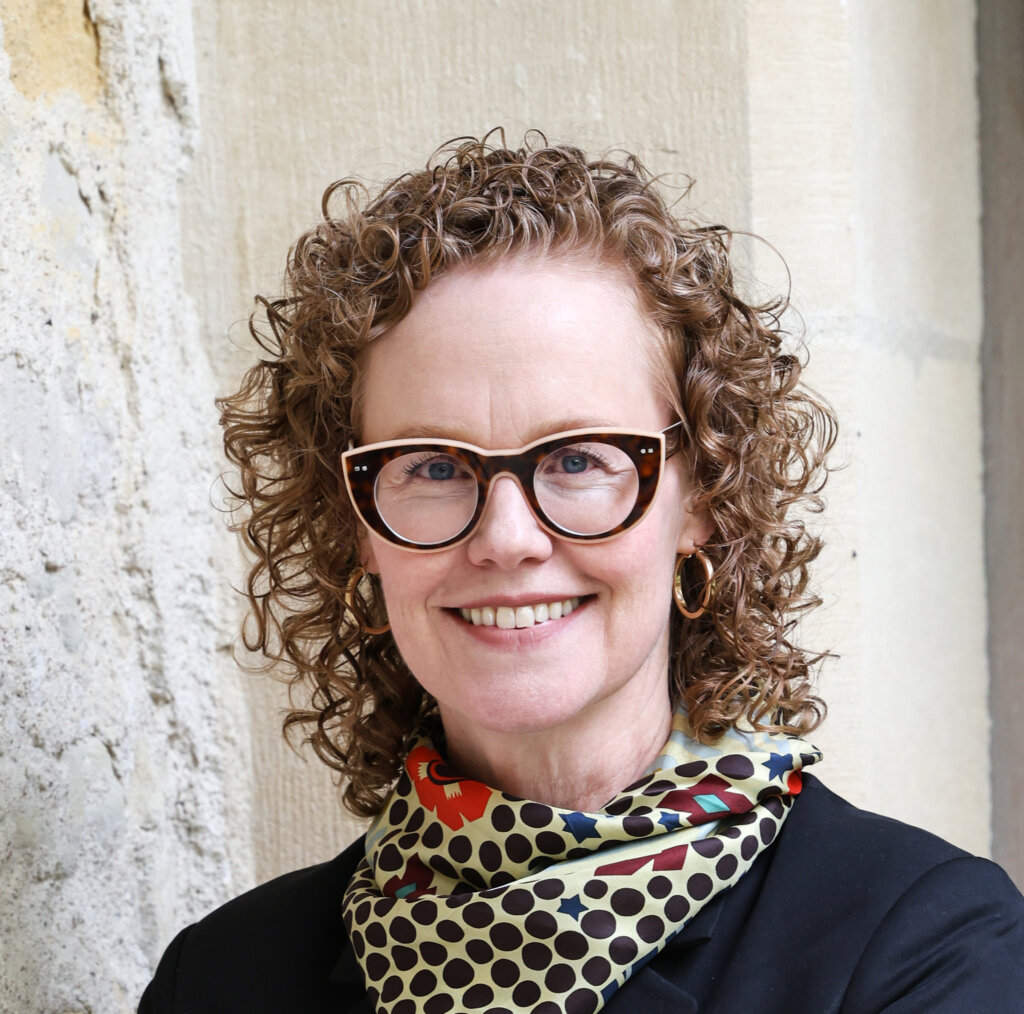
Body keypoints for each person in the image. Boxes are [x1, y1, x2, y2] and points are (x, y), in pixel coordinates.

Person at [140, 133, 1024, 1014]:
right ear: (357, 528)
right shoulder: (221, 979)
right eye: (435, 469)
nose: (507, 538)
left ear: (701, 497)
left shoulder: (923, 947)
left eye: (578, 461)